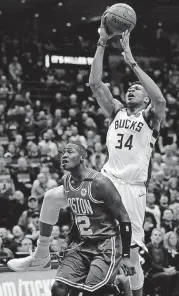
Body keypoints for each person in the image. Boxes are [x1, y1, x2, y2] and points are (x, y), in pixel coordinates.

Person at [89, 15, 166, 296]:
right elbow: (96, 85)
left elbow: (160, 100)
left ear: (145, 98)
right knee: (89, 237)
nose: (131, 88)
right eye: (130, 87)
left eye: (137, 88)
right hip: (107, 181)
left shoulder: (151, 117)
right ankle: (43, 249)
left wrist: (130, 58)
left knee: (131, 255)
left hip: (132, 190)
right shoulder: (116, 111)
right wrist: (101, 42)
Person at [8, 142, 135, 296]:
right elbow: (77, 215)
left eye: (69, 152)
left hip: (106, 244)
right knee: (58, 289)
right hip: (82, 243)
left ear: (82, 157)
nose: (64, 156)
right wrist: (67, 241)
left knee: (91, 292)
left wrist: (126, 256)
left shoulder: (100, 183)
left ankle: (116, 288)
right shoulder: (67, 180)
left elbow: (124, 218)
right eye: (63, 153)